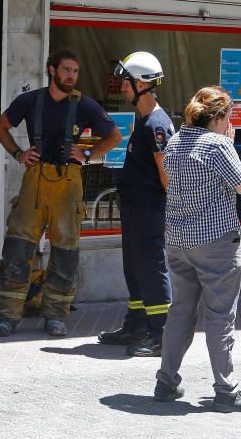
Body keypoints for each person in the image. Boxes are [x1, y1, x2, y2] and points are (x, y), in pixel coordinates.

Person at [0, 49, 122, 337]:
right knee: (18, 248)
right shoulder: (29, 100)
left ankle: (56, 315)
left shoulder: (85, 105)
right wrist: (17, 153)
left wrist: (88, 154)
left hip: (69, 182)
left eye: (75, 71)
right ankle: (7, 315)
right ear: (52, 70)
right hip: (35, 181)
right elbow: (0, 126)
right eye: (66, 70)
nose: (71, 76)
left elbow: (115, 136)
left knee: (65, 253)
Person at [153, 86, 241, 412]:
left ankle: (166, 380)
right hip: (215, 243)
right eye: (228, 117)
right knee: (220, 316)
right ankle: (226, 389)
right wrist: (231, 145)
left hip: (178, 241)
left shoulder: (174, 142)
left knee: (180, 310)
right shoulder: (219, 146)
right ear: (221, 117)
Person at [98, 52, 175, 357]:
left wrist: (172, 211)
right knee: (135, 268)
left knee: (152, 270)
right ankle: (136, 325)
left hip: (148, 211)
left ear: (141, 83)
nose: (122, 89)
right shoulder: (145, 121)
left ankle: (161, 335)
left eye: (126, 83)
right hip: (135, 210)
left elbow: (166, 174)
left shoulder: (156, 124)